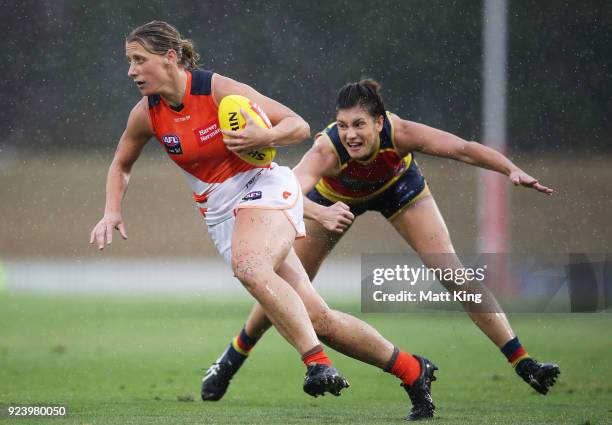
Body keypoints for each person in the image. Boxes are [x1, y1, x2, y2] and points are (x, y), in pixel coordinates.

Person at [202, 79, 561, 407]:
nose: (350, 135)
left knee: (453, 274)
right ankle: (235, 355)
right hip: (332, 202)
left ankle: (524, 362)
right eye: (342, 126)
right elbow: (286, 192)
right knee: (286, 286)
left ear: (379, 122)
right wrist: (321, 214)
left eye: (359, 125)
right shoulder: (327, 151)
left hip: (400, 189)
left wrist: (509, 168)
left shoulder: (401, 132)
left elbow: (464, 149)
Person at [89, 20, 355, 399]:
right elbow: (121, 163)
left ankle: (315, 362)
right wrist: (111, 211)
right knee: (317, 315)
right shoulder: (146, 113)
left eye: (138, 60)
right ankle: (409, 369)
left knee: (250, 269)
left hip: (263, 189)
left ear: (169, 57)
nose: (131, 70)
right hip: (220, 215)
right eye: (128, 61)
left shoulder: (218, 91)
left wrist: (266, 136)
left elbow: (297, 125)